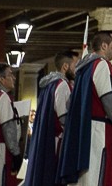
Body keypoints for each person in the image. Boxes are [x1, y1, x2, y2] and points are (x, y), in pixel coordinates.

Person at [57, 33, 112, 186]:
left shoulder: (83, 70)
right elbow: (108, 99)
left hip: (84, 130)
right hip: (99, 132)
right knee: (97, 177)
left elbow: (71, 103)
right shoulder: (101, 65)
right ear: (104, 46)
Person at [26, 50, 77, 186]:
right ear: (65, 66)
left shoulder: (49, 85)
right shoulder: (62, 84)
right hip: (57, 141)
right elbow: (63, 117)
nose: (77, 69)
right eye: (75, 65)